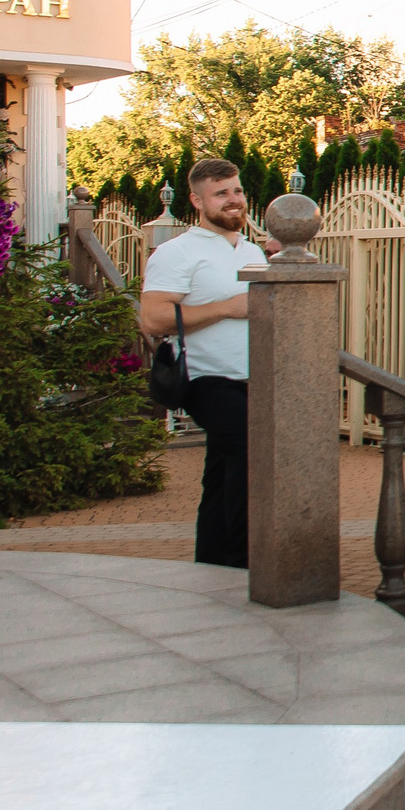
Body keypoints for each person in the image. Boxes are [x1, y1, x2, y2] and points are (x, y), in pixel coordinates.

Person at [140, 159, 272, 568]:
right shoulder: (177, 251)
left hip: (255, 377)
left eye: (236, 191)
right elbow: (154, 319)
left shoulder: (253, 251)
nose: (233, 201)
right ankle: (242, 562)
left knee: (222, 468)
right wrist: (229, 308)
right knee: (251, 453)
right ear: (197, 201)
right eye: (221, 194)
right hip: (205, 377)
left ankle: (212, 562)